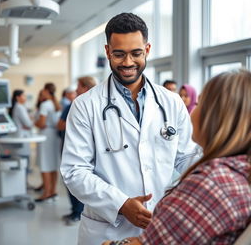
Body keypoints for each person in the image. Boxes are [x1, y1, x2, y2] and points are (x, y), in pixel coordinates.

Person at [60, 13, 198, 245]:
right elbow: (75, 171)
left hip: (159, 227)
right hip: (106, 230)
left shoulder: (171, 102)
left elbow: (188, 159)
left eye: (136, 53)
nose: (127, 62)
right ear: (107, 51)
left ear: (147, 49)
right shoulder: (85, 105)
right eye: (119, 54)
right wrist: (121, 204)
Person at [102, 69, 251, 245]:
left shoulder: (209, 185)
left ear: (214, 117)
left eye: (199, 104)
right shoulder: (238, 172)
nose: (192, 111)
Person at [57, 77, 97, 225]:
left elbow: (60, 126)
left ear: (85, 87)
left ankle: (76, 213)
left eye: (78, 86)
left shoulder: (75, 104)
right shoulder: (96, 103)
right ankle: (78, 212)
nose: (76, 90)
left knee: (73, 178)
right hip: (91, 151)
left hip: (73, 148)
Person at [35, 83, 61, 202]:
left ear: (46, 91)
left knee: (45, 164)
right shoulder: (56, 104)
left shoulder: (45, 104)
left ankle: (46, 193)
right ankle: (53, 191)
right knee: (53, 165)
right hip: (55, 136)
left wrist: (34, 122)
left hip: (46, 135)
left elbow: (41, 123)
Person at [8, 89, 33, 172]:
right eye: (24, 95)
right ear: (18, 97)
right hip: (22, 136)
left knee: (22, 160)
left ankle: (24, 183)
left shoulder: (17, 107)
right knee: (24, 162)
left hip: (19, 135)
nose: (25, 97)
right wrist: (30, 123)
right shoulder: (19, 107)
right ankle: (24, 184)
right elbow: (29, 124)